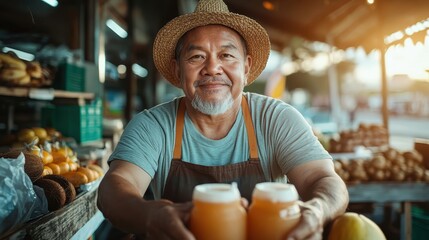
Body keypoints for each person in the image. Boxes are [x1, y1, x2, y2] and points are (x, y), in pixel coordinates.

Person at [97, 0, 349, 239]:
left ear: (246, 67)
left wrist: (318, 210)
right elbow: (115, 187)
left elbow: (323, 179)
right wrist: (150, 215)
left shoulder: (276, 118)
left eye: (227, 56)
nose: (212, 68)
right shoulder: (153, 125)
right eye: (196, 57)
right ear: (177, 69)